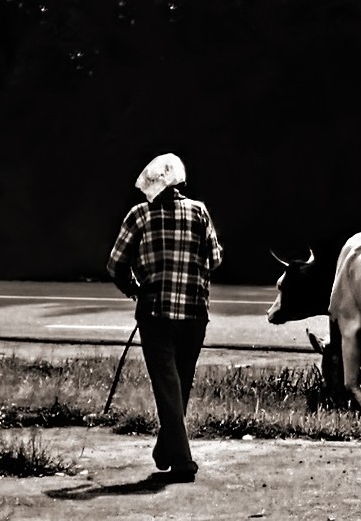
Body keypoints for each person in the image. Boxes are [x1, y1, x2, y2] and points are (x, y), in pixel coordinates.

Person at [106, 152, 223, 483]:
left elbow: (115, 265)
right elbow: (214, 258)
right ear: (180, 183)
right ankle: (166, 448)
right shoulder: (199, 212)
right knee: (180, 384)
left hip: (155, 312)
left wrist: (135, 289)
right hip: (195, 313)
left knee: (167, 386)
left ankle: (182, 461)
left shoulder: (139, 215)